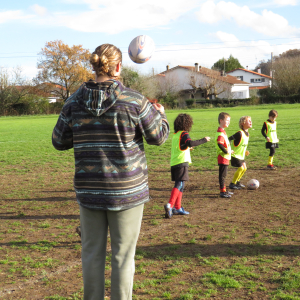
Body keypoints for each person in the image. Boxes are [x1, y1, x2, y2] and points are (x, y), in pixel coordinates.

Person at [52, 43, 169, 300]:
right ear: (118, 67)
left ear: (95, 66)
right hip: (127, 192)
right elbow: (158, 136)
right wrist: (162, 116)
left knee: (91, 255)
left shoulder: (72, 102)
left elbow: (58, 141)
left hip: (89, 191)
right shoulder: (135, 101)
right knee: (123, 258)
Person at [164, 113, 210, 218]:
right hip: (181, 163)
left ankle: (178, 207)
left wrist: (187, 148)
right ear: (187, 123)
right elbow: (190, 143)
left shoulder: (176, 134)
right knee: (179, 184)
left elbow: (181, 146)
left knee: (181, 184)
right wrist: (204, 140)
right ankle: (170, 205)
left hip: (174, 163)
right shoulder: (184, 134)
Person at [228, 116, 252, 190]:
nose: (251, 122)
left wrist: (245, 151)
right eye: (249, 121)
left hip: (241, 155)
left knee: (245, 168)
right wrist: (228, 149)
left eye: (251, 120)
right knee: (241, 168)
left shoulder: (247, 134)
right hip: (235, 155)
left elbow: (241, 145)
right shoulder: (239, 133)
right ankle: (232, 183)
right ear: (243, 123)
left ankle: (237, 182)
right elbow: (228, 139)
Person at [215, 112, 234, 198]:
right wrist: (226, 151)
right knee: (222, 175)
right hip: (223, 157)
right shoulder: (220, 133)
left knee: (224, 175)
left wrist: (229, 151)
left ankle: (224, 190)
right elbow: (220, 144)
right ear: (221, 120)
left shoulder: (223, 132)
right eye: (227, 120)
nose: (229, 122)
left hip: (225, 157)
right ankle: (222, 192)